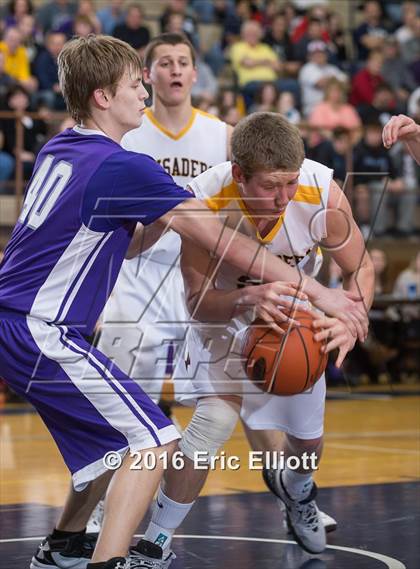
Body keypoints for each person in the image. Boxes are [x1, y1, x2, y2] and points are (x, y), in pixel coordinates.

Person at [0, 35, 366, 569]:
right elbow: (222, 241)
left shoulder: (62, 146)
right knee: (154, 440)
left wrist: (160, 221)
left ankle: (64, 546)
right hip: (42, 327)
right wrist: (317, 290)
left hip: (32, 323)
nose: (144, 89)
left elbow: (129, 239)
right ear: (104, 96)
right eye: (134, 83)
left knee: (117, 440)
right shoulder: (120, 164)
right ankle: (111, 560)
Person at [133, 113, 374, 566]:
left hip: (296, 317)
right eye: (270, 186)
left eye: (290, 183)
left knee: (306, 445)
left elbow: (360, 267)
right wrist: (248, 297)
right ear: (240, 174)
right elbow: (198, 303)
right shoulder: (206, 197)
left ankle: (297, 489)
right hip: (226, 312)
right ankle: (156, 542)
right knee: (212, 426)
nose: (284, 197)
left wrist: (352, 315)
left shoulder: (320, 190)